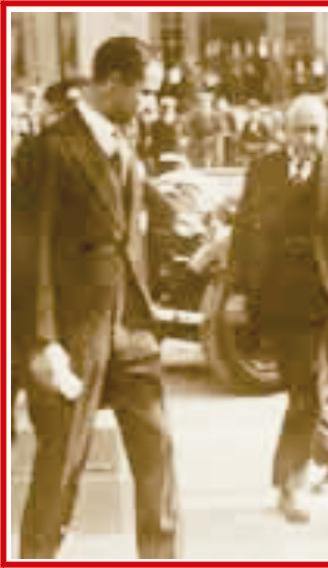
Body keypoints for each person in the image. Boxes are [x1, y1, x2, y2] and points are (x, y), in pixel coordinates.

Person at [19, 36, 179, 559]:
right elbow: (30, 252)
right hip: (74, 333)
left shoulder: (125, 144)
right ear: (112, 83)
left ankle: (162, 555)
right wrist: (43, 341)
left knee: (158, 449)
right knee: (62, 460)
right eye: (146, 92)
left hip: (131, 328)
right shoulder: (49, 149)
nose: (152, 105)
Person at [229, 95, 328, 524]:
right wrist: (237, 291)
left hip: (320, 299)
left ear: (326, 132)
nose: (307, 139)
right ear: (285, 131)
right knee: (302, 384)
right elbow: (243, 232)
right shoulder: (263, 169)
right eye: (299, 129)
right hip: (273, 295)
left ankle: (290, 482)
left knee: (305, 390)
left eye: (315, 130)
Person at [184, 90, 224, 167]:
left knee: (215, 147)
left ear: (210, 103)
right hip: (197, 139)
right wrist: (194, 136)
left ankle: (212, 163)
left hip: (212, 140)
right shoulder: (194, 115)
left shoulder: (216, 115)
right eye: (201, 103)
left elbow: (220, 129)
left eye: (206, 102)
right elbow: (188, 126)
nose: (204, 104)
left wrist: (213, 137)